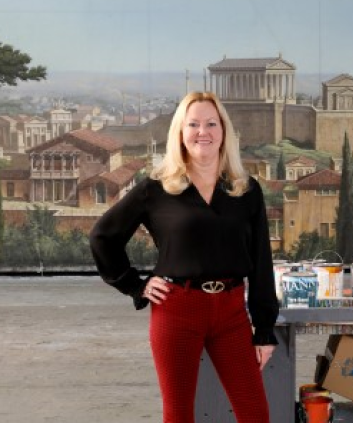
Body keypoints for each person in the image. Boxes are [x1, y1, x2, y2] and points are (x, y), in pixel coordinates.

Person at [89, 91, 278, 422]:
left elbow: (262, 260)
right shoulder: (158, 188)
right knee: (178, 415)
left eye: (211, 123)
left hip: (232, 313)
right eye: (193, 124)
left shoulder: (245, 189)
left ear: (223, 131)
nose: (202, 132)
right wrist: (135, 285)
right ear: (180, 131)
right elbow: (103, 236)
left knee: (255, 413)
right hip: (176, 311)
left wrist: (263, 328)